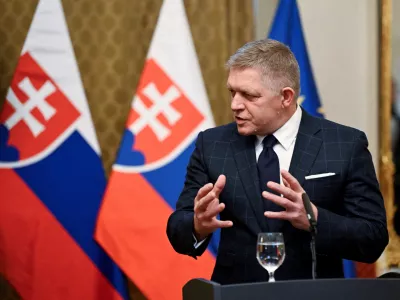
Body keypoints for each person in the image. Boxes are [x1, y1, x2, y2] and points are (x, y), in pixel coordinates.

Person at [166, 39, 389, 284]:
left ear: (285, 97)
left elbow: (373, 239)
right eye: (232, 92)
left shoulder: (344, 144)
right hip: (237, 294)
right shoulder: (212, 144)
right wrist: (197, 225)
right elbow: (178, 229)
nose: (235, 105)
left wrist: (315, 219)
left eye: (249, 96)